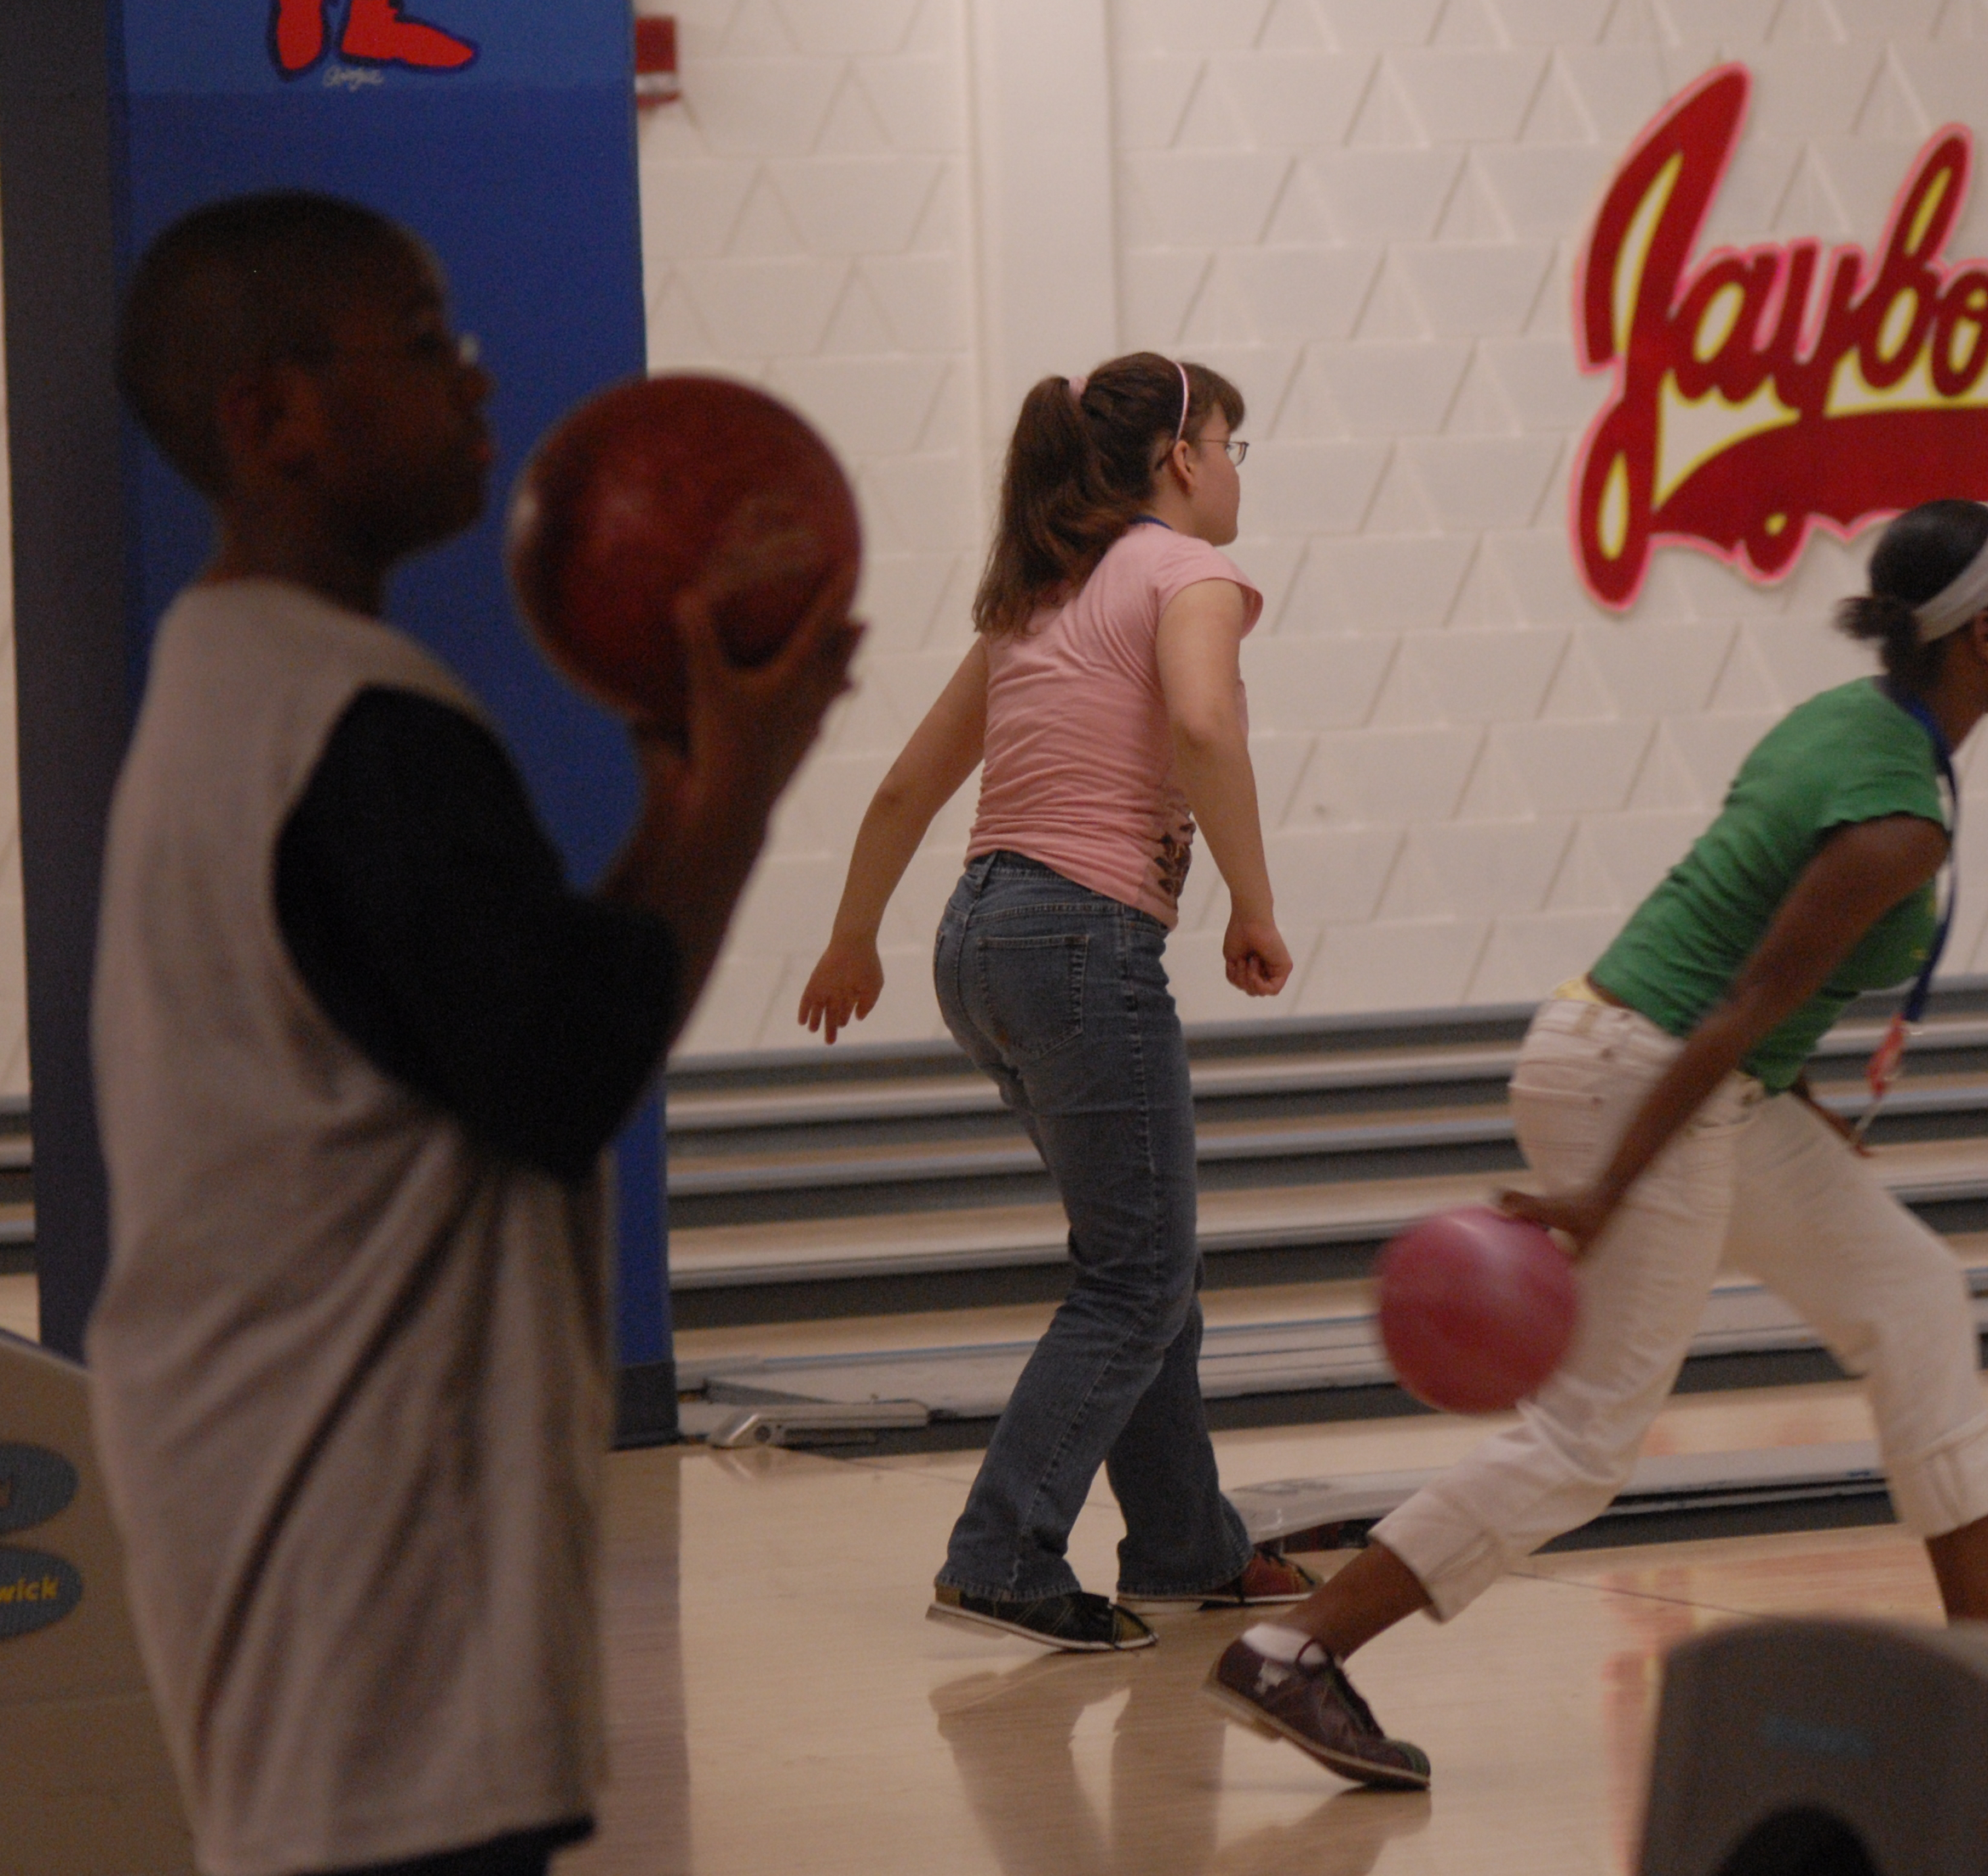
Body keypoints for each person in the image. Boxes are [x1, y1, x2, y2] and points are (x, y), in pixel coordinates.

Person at [86, 193, 858, 1876]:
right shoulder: (350, 725)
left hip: (295, 1507)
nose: (477, 380)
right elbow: (562, 1073)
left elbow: (530, 1008)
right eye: (427, 341)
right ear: (272, 418)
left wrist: (684, 800)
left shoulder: (244, 690)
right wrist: (741, 794)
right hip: (360, 1534)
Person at [1205, 499, 1988, 1791]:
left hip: (1664, 1069)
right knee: (1587, 1438)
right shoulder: (1899, 816)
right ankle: (1293, 1648)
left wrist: (1794, 1103)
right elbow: (1746, 995)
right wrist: (1606, 1188)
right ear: (1986, 633)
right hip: (1645, 1079)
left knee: (1911, 1292)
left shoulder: (1853, 726)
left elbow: (1743, 954)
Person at [796, 350, 1307, 1652]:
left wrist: (852, 937)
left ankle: (1185, 1545)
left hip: (977, 940)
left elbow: (907, 785)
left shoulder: (1041, 591)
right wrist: (1252, 903)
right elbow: (1203, 726)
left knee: (1146, 1259)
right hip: (1080, 940)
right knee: (1137, 1273)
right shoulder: (1189, 575)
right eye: (1233, 444)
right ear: (1181, 457)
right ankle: (1001, 1554)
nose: (1238, 470)